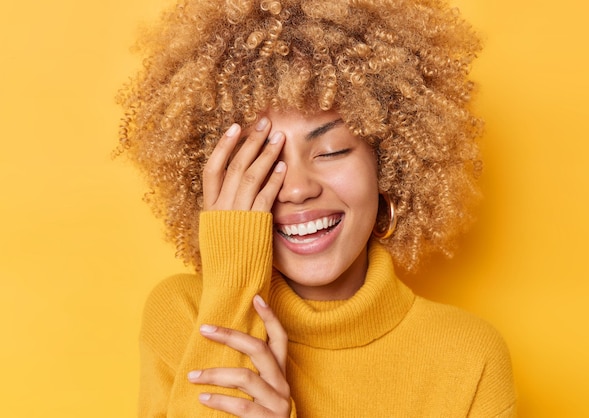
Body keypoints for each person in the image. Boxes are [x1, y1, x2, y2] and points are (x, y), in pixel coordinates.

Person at [117, 0, 517, 416]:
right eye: (262, 162)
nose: (296, 189)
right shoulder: (186, 313)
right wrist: (233, 277)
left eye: (331, 151)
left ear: (390, 163)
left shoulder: (469, 357)